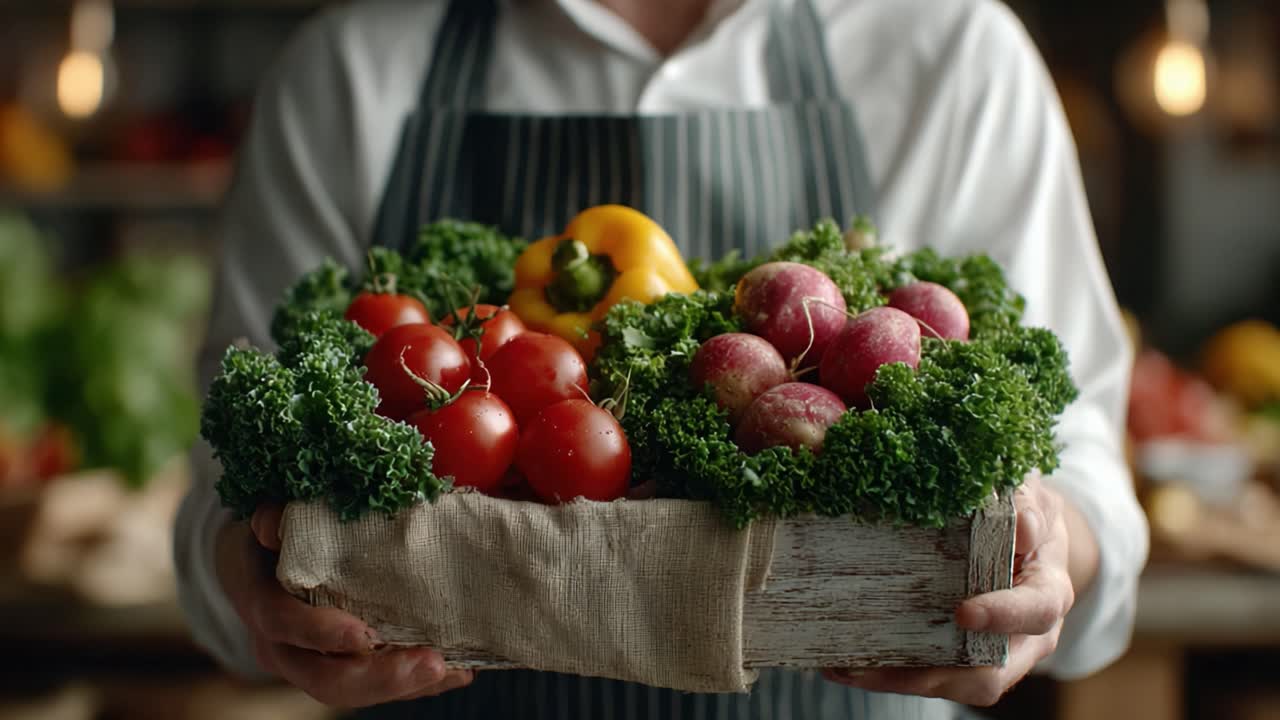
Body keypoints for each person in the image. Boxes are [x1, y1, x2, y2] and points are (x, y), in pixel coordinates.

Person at [175, 0, 1150, 717]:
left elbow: (1075, 461)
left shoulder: (948, 48)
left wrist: (1046, 553)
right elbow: (227, 478)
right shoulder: (351, 68)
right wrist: (251, 578)